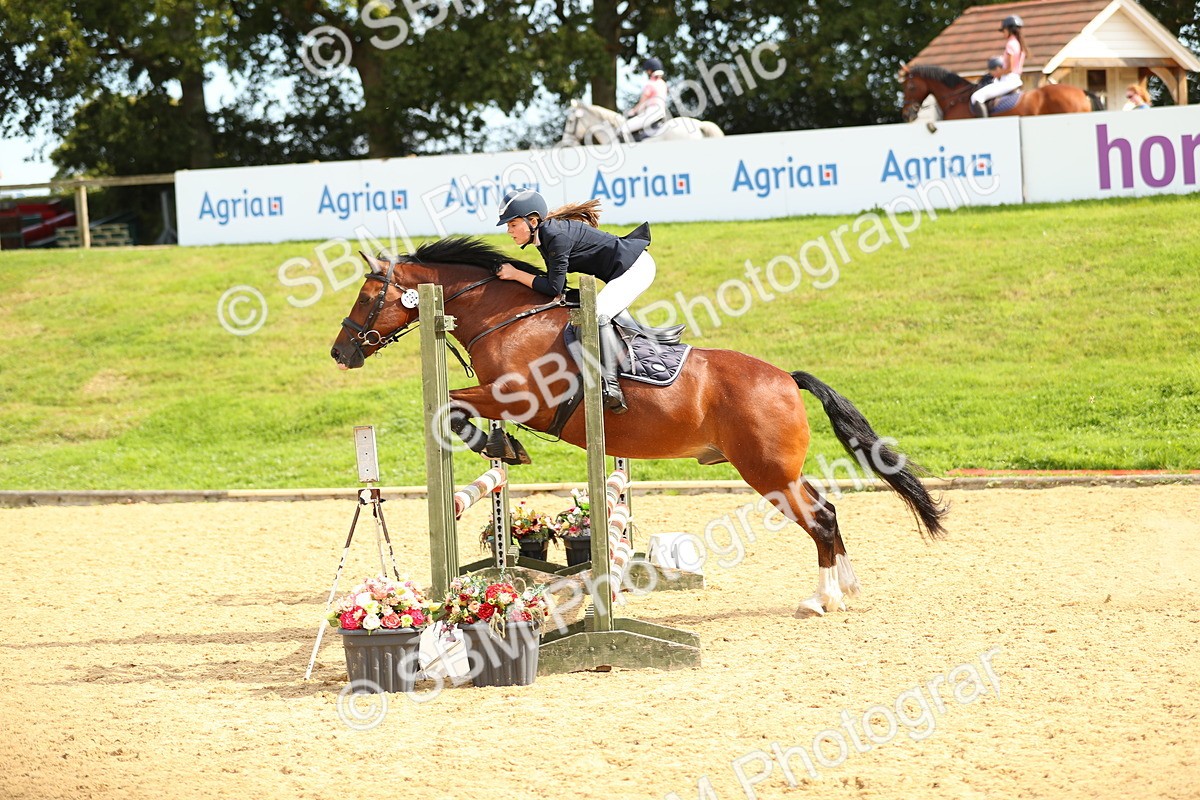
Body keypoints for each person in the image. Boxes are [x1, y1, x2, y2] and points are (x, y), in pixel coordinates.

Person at [496, 189, 654, 414]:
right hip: (624, 270)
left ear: (532, 221)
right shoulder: (545, 235)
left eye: (512, 225)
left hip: (636, 269)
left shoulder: (554, 237)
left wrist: (515, 274)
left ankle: (611, 386)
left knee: (596, 316)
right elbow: (557, 287)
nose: (509, 231)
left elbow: (553, 288)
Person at [971, 16, 1028, 117]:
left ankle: (985, 126)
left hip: (1008, 80)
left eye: (1004, 30)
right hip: (1016, 79)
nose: (1003, 33)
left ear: (1009, 29)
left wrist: (997, 73)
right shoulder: (1019, 44)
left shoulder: (1010, 44)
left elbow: (1010, 69)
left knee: (976, 97)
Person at [618, 57, 670, 142]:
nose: (646, 72)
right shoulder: (663, 84)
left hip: (650, 113)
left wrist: (633, 111)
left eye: (647, 70)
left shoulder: (651, 84)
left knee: (624, 129)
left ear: (650, 70)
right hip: (662, 113)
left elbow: (643, 101)